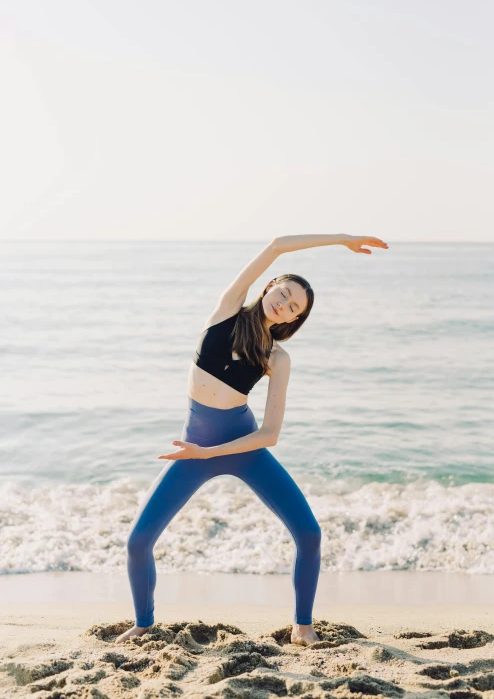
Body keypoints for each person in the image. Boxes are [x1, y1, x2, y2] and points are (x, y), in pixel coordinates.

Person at [115, 232, 389, 646]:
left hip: (242, 448)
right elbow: (277, 244)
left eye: (294, 307)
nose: (285, 303)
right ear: (269, 286)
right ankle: (144, 624)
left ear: (292, 320)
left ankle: (303, 628)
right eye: (284, 292)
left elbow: (270, 434)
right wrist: (342, 240)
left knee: (309, 533)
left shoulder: (277, 358)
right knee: (137, 542)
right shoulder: (226, 311)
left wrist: (209, 452)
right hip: (194, 447)